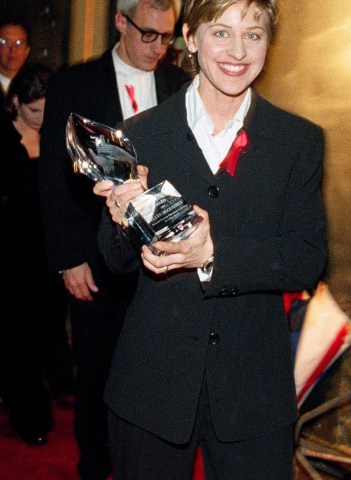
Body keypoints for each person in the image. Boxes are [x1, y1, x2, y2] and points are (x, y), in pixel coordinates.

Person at [92, 0, 328, 478]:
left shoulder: (297, 141)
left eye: (254, 35)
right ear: (191, 37)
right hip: (151, 385)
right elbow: (114, 261)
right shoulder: (138, 135)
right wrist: (120, 217)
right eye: (221, 32)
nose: (238, 51)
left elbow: (307, 258)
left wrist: (213, 253)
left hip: (253, 391)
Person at [38, 0, 188, 478]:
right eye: (148, 34)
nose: (158, 48)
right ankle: (95, 465)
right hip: (94, 260)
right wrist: (68, 259)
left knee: (154, 374)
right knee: (97, 371)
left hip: (161, 261)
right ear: (121, 22)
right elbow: (53, 178)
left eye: (167, 37)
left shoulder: (179, 85)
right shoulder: (74, 83)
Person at [0, 62, 74, 446]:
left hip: (47, 251)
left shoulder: (57, 138)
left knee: (47, 327)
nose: (41, 120)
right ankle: (31, 417)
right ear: (15, 102)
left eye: (47, 112)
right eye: (33, 113)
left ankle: (52, 386)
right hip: (9, 254)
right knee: (18, 335)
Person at [0, 16, 30, 112]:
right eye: (5, 42)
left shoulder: (36, 87)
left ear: (27, 50)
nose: (13, 50)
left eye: (19, 43)